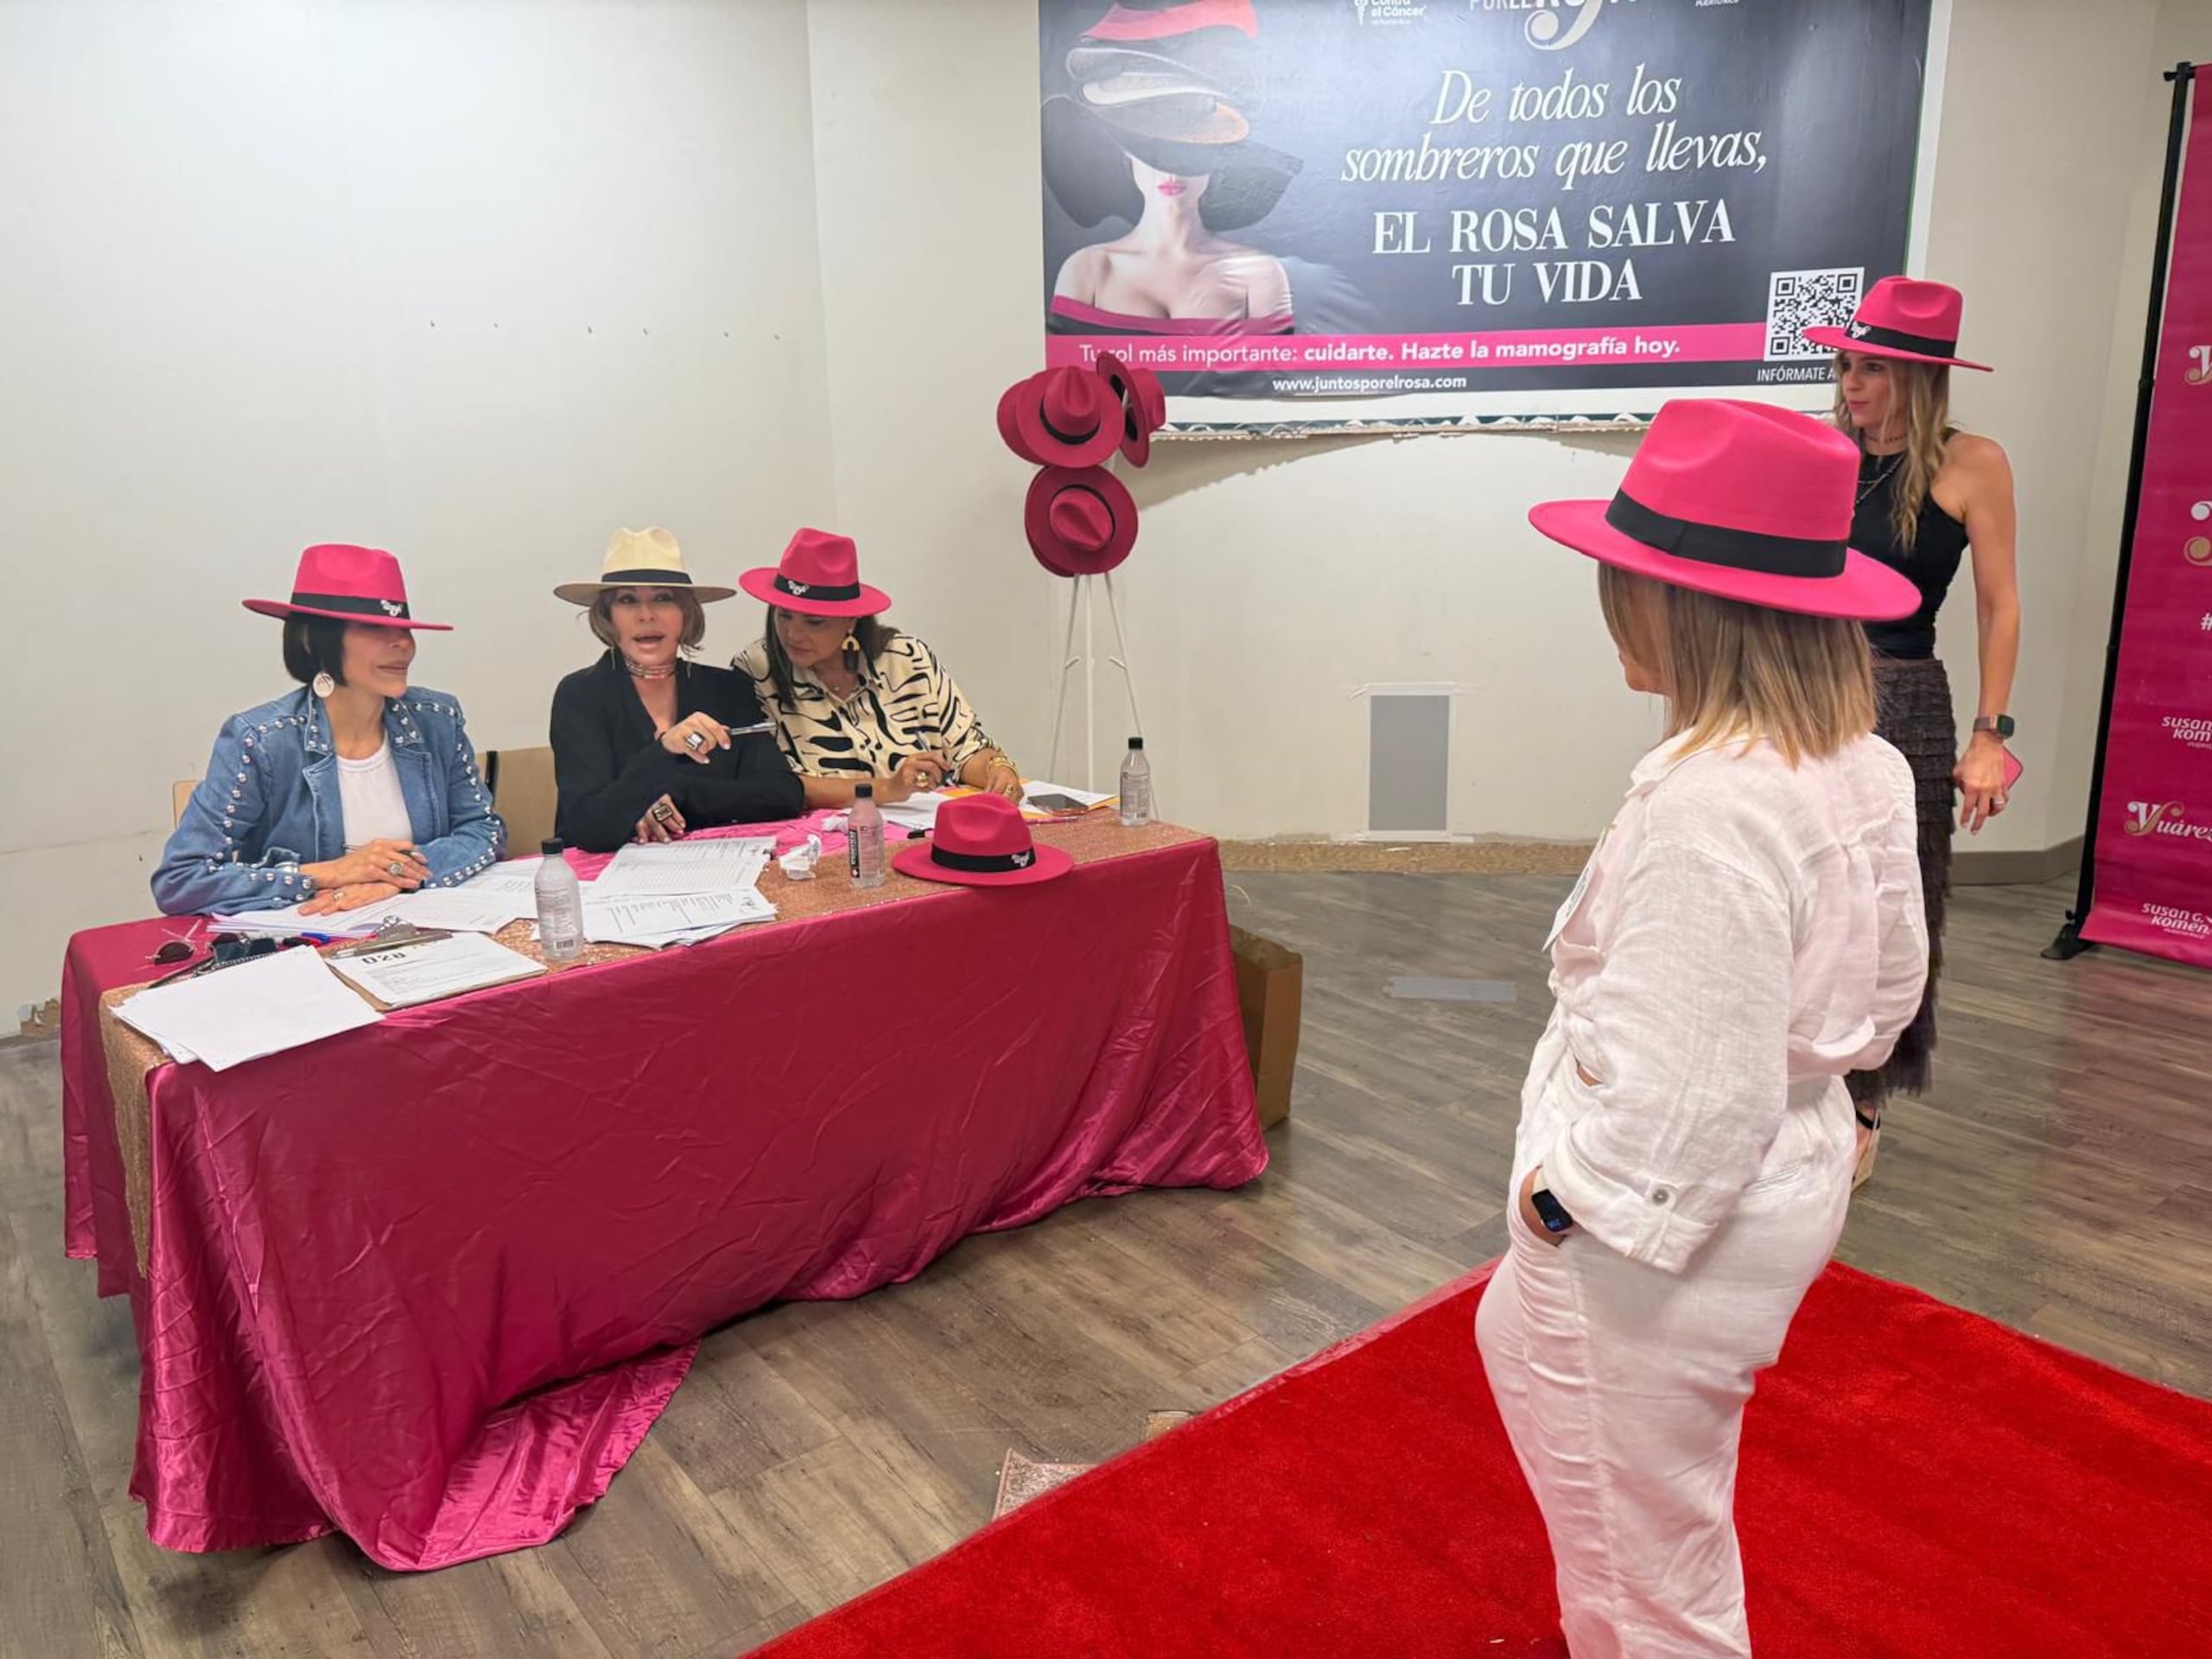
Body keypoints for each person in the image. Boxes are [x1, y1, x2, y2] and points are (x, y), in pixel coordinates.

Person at [1475, 399, 1929, 1658]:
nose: (1611, 601)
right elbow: (1890, 999)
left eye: (1627, 576)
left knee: (1641, 1589)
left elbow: (1693, 1102)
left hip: (1665, 1235)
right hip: (1787, 1174)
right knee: (1668, 1524)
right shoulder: (1863, 765)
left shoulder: (1711, 810)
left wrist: (1561, 1208)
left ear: (1685, 605)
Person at [1802, 276, 2019, 1135]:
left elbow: (2000, 605)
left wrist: (1988, 736)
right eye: (1847, 367)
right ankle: (1793, 1072)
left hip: (1906, 699)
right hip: (1809, 695)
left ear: (1922, 380)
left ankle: (1862, 1098)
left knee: (1895, 897)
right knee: (1805, 891)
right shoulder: (1821, 453)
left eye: (1874, 371)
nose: (1852, 386)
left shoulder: (1972, 464)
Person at [153, 544, 505, 917]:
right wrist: (332, 873)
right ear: (312, 640)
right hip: (304, 948)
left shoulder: (437, 718)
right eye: (374, 627)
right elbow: (182, 881)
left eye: (404, 627)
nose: (402, 643)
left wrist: (395, 877)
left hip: (421, 935)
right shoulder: (260, 740)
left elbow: (484, 830)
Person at [549, 528, 803, 852]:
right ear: (608, 617)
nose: (646, 615)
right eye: (627, 600)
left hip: (723, 870)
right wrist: (664, 752)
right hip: (612, 885)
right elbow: (586, 828)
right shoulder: (580, 695)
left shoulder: (727, 687)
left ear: (686, 612)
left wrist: (676, 793)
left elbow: (784, 795)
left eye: (663, 598)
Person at [734, 529, 1023, 809]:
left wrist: (998, 770)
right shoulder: (757, 669)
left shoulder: (907, 658)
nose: (792, 633)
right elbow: (776, 785)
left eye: (814, 622)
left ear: (850, 620)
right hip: (826, 839)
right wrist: (888, 789)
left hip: (929, 827)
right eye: (783, 616)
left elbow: (966, 749)